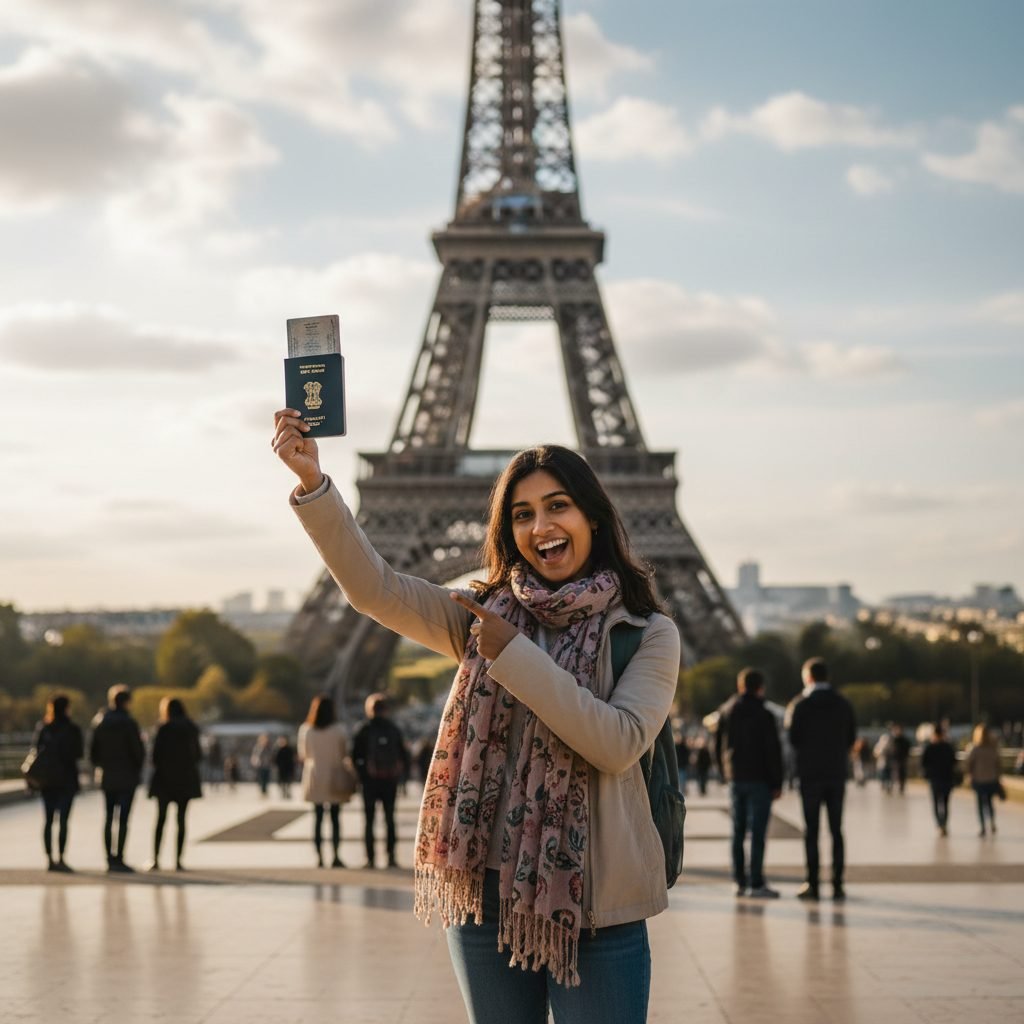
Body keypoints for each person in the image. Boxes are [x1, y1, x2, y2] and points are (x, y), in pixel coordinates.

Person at [273, 411, 679, 1021]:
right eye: (522, 514)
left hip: (598, 906)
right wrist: (312, 485)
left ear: (592, 515)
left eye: (557, 506)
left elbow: (617, 743)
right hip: (484, 900)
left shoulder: (645, 633)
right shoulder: (481, 618)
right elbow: (374, 590)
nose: (541, 526)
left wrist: (511, 654)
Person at [785, 658, 856, 902]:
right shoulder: (843, 704)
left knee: (811, 831)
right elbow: (851, 737)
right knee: (836, 830)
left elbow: (793, 738)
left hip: (810, 775)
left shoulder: (800, 705)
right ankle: (837, 884)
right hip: (836, 773)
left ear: (809, 678)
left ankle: (812, 882)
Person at [714, 668, 783, 899]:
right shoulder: (765, 714)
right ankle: (756, 881)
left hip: (736, 777)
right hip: (760, 778)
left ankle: (738, 881)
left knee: (737, 831)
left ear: (740, 685)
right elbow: (772, 750)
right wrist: (777, 782)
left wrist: (724, 771)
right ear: (760, 687)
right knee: (758, 832)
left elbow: (718, 744)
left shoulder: (726, 711)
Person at [90, 684, 145, 873]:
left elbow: (93, 753)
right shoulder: (129, 723)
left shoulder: (100, 722)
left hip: (107, 775)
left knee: (108, 817)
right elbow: (138, 752)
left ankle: (109, 858)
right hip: (127, 776)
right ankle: (119, 857)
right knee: (123, 819)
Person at [352, 693, 410, 869]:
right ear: (386, 710)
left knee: (369, 821)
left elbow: (355, 756)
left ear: (370, 710)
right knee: (389, 819)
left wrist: (363, 775)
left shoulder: (364, 729)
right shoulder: (393, 729)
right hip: (389, 780)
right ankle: (391, 856)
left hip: (370, 782)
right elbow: (404, 755)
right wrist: (400, 778)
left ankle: (370, 858)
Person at [298, 694, 356, 867]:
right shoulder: (339, 730)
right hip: (335, 774)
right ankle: (336, 855)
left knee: (317, 819)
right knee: (336, 819)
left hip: (315, 776)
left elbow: (304, 754)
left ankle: (319, 856)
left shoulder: (306, 730)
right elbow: (345, 752)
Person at [147, 697, 202, 871]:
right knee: (181, 820)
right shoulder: (191, 729)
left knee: (161, 819)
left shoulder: (164, 728)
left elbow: (155, 756)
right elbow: (198, 755)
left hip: (165, 779)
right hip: (185, 778)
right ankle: (178, 860)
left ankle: (156, 858)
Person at [31, 694, 84, 872]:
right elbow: (79, 753)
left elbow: (35, 751)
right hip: (67, 779)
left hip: (47, 779)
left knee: (48, 820)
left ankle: (49, 858)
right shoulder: (73, 729)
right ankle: (61, 857)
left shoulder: (44, 728)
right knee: (63, 821)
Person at [921, 724, 956, 836]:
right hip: (946, 779)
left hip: (935, 779)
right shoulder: (948, 747)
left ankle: (940, 824)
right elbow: (954, 762)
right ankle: (943, 823)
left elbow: (923, 763)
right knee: (945, 803)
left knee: (936, 803)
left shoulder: (929, 748)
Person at [966, 724, 1001, 837]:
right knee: (989, 803)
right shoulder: (993, 749)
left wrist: (970, 775)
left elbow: (969, 764)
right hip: (991, 779)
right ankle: (991, 822)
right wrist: (997, 776)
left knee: (980, 804)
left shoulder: (975, 749)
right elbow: (998, 764)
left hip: (979, 780)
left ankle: (982, 827)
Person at [889, 724, 911, 795]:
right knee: (894, 773)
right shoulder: (893, 739)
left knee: (902, 773)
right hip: (894, 759)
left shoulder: (904, 740)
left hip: (902, 759)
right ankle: (891, 786)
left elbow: (907, 748)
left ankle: (901, 786)